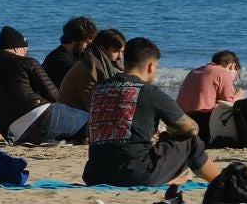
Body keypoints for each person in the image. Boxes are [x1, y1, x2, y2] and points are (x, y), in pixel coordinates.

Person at [84, 37, 222, 187]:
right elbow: (192, 128)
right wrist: (171, 133)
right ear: (150, 66)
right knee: (191, 142)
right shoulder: (149, 92)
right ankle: (220, 182)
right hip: (133, 174)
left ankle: (173, 179)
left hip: (94, 175)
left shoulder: (98, 90)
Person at [0, 25, 87, 145]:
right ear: (16, 48)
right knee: (89, 120)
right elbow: (54, 95)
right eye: (25, 50)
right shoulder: (28, 63)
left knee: (60, 134)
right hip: (42, 116)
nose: (26, 54)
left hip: (18, 130)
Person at [176, 51, 246, 134]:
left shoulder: (193, 71)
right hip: (201, 121)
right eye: (236, 76)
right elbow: (227, 103)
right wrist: (238, 96)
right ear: (233, 66)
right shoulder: (223, 72)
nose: (233, 80)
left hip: (180, 119)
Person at [58, 28, 126, 110]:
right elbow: (92, 105)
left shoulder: (111, 65)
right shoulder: (88, 68)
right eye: (115, 51)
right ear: (102, 49)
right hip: (73, 114)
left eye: (122, 52)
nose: (120, 57)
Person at [42, 16, 98, 87]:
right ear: (74, 40)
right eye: (87, 42)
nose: (89, 47)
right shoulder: (60, 61)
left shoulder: (72, 55)